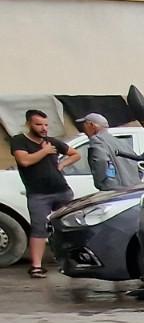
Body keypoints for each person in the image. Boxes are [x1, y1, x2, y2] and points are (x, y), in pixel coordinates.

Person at [8, 109, 80, 278]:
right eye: (39, 124)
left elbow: (75, 154)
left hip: (62, 191)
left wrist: (62, 165)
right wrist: (44, 152)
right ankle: (36, 267)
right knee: (39, 229)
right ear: (29, 124)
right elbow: (24, 161)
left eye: (46, 125)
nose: (43, 128)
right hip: (39, 194)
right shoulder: (19, 141)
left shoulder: (52, 142)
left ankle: (72, 260)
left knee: (68, 227)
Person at [77, 113, 142, 193]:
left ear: (91, 125)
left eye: (84, 125)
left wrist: (100, 182)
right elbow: (139, 167)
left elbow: (100, 160)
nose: (84, 130)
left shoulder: (97, 141)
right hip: (134, 188)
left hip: (114, 191)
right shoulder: (121, 143)